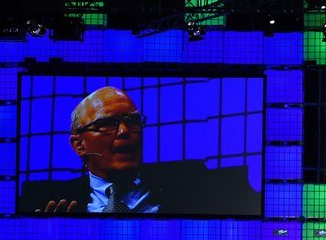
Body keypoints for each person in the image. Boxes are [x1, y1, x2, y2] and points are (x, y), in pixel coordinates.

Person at [18, 86, 260, 214]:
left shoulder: (198, 182)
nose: (124, 131)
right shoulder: (40, 200)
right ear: (79, 145)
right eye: (106, 124)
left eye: (132, 121)